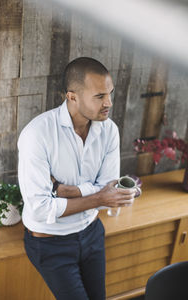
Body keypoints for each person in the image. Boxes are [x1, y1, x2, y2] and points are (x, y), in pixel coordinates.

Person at [18, 57, 136, 300]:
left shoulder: (109, 130)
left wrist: (69, 191)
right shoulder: (36, 135)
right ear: (72, 97)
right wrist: (98, 196)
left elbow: (109, 190)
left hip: (92, 233)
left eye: (110, 94)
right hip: (50, 243)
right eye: (100, 96)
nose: (109, 103)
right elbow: (40, 209)